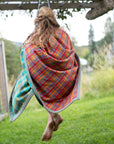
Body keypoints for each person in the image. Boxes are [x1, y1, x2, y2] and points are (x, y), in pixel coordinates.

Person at [9, 6, 81, 141]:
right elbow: (71, 52)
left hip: (48, 85)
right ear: (53, 19)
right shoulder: (62, 35)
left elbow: (28, 58)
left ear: (38, 20)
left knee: (34, 82)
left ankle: (53, 115)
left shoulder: (34, 39)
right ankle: (53, 116)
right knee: (39, 82)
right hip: (64, 82)